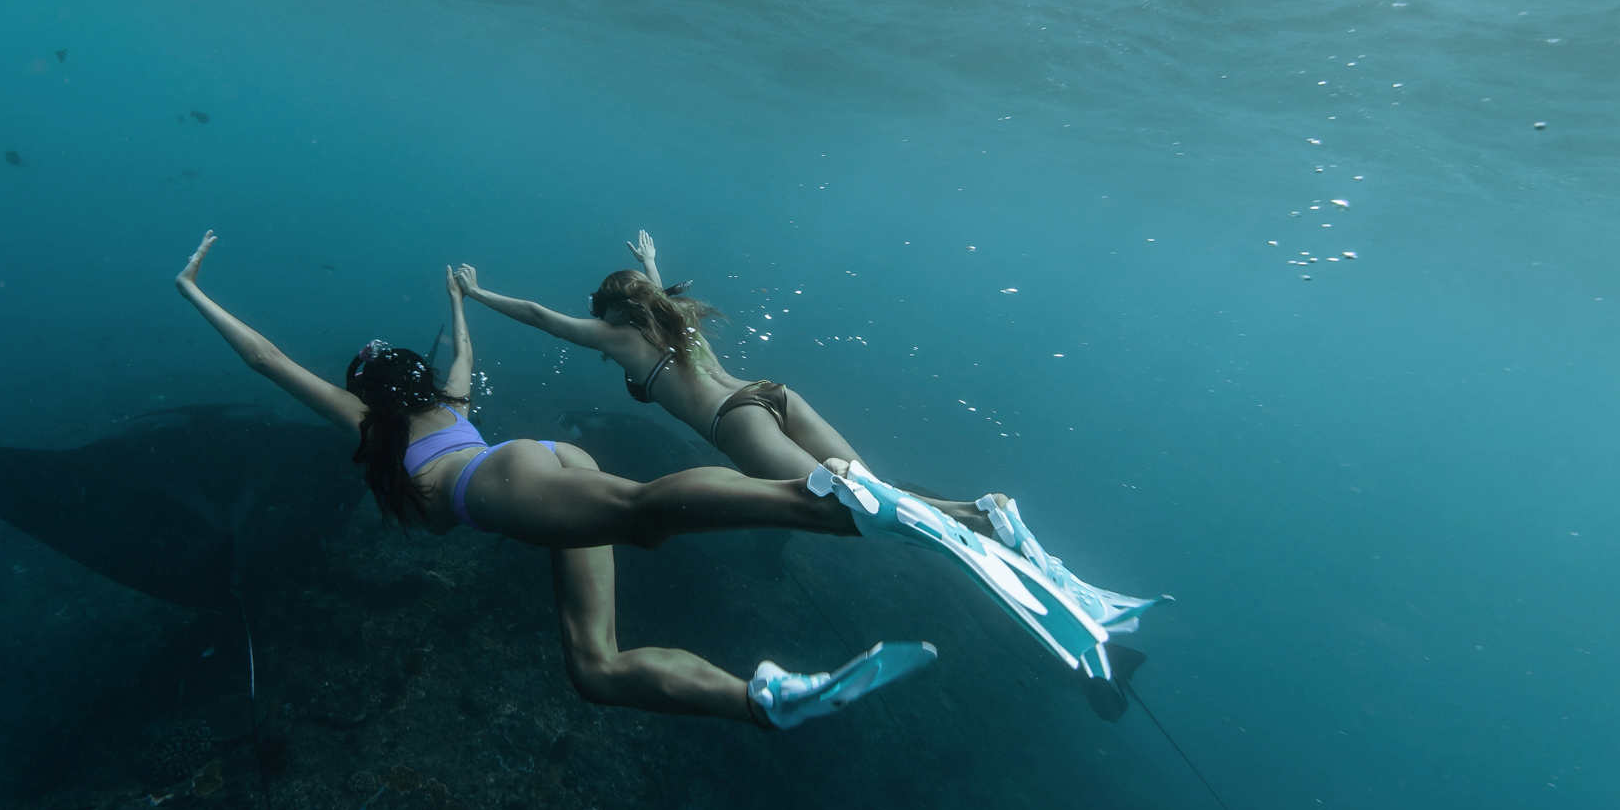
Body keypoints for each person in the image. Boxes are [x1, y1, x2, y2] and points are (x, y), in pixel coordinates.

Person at [173, 231, 935, 730]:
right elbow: (465, 349)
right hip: (531, 468)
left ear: (365, 388)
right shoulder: (448, 396)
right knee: (594, 668)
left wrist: (194, 291)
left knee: (641, 513)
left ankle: (819, 500)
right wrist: (456, 299)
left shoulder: (372, 425)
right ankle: (762, 698)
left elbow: (267, 359)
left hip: (499, 484)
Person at [455, 234, 1164, 680]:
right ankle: (975, 514)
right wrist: (649, 263)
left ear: (612, 312)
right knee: (873, 490)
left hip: (738, 423)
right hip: (772, 396)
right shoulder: (677, 321)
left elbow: (544, 318)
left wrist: (475, 291)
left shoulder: (619, 337)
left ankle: (971, 517)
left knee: (847, 512)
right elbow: (653, 296)